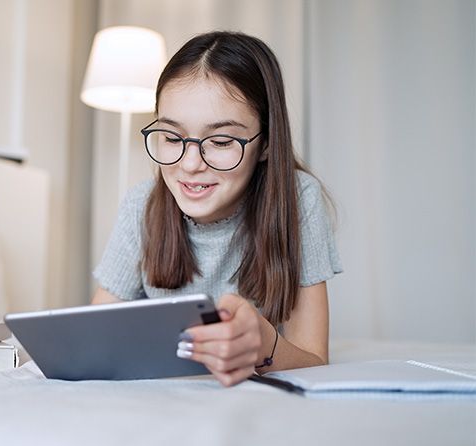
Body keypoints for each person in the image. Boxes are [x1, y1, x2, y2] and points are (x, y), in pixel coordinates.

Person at [91, 31, 342, 387]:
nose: (191, 164)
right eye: (172, 138)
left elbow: (314, 358)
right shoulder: (141, 206)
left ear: (267, 143)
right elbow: (94, 338)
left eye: (222, 141)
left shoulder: (300, 200)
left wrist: (263, 343)